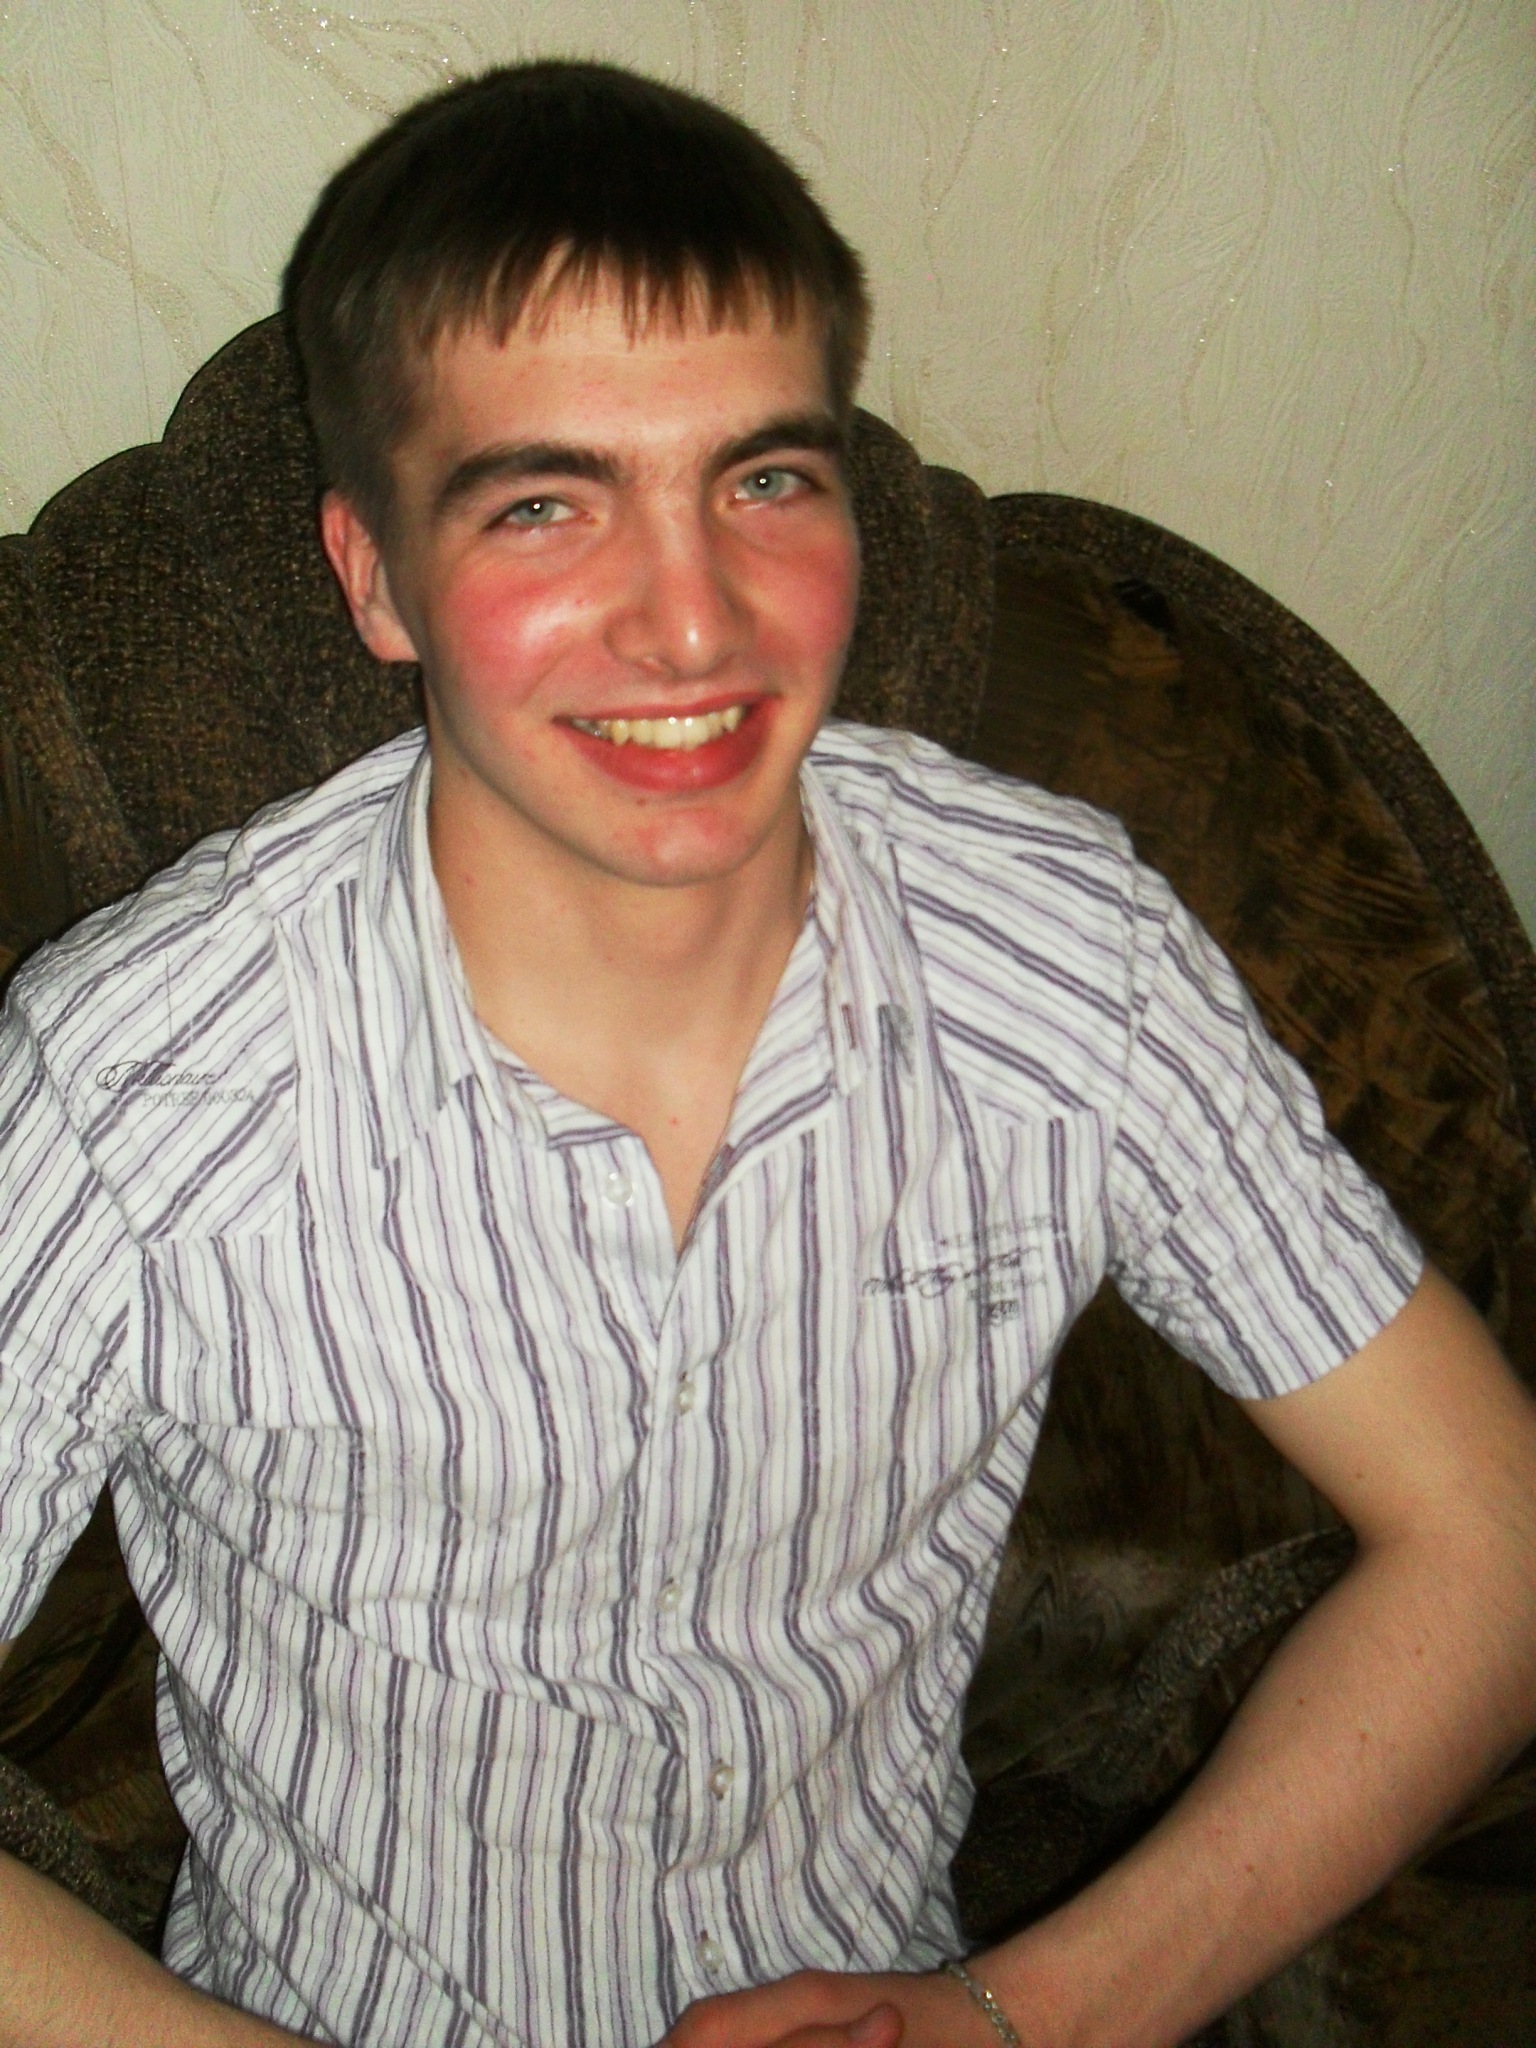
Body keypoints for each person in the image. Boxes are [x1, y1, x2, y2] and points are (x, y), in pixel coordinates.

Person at [0, 58, 1533, 2048]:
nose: (690, 620)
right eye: (544, 503)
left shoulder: (1065, 956)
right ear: (375, 577)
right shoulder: (134, 1081)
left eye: (762, 481)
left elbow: (1493, 1533)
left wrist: (1022, 2014)